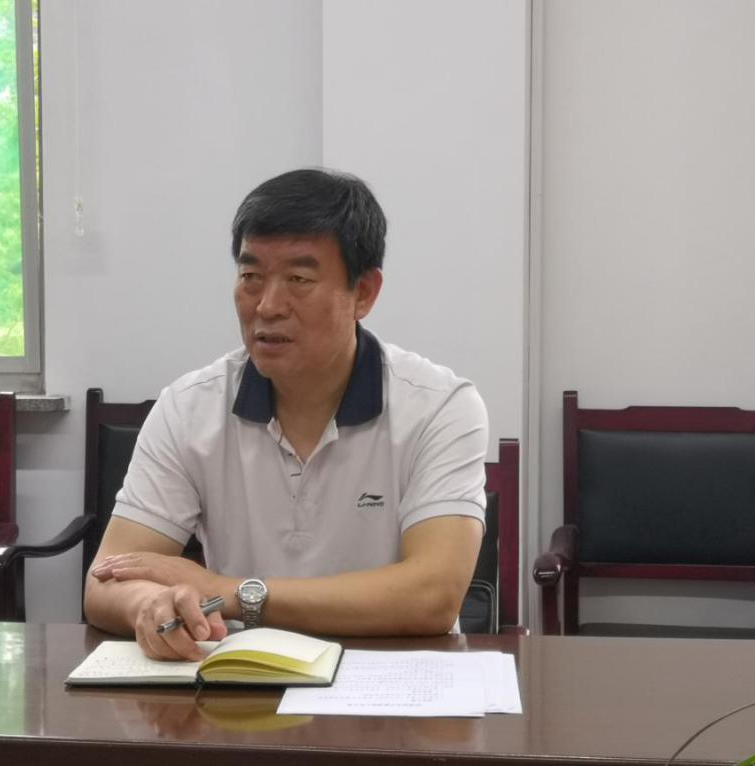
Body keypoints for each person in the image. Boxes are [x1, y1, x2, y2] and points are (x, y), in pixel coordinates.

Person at [85, 168, 488, 660]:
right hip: (242, 681)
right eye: (251, 277)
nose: (268, 306)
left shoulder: (439, 406)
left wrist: (230, 593)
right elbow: (105, 581)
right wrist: (151, 605)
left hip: (391, 682)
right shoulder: (189, 408)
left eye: (299, 279)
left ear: (364, 293)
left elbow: (432, 596)